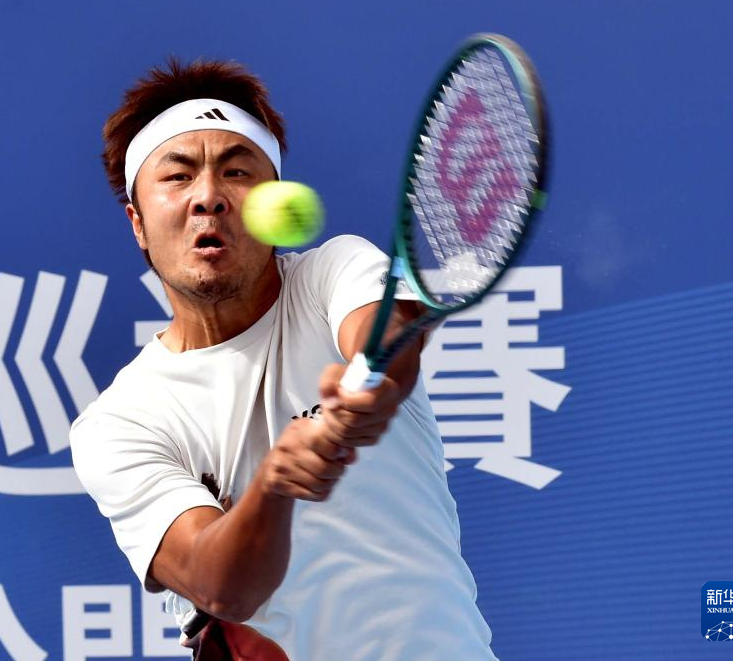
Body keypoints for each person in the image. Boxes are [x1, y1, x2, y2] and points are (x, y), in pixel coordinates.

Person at [70, 58, 497, 660]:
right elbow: (222, 587)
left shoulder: (334, 272)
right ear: (138, 223)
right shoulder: (120, 423)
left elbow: (385, 336)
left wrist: (372, 383)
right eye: (179, 176)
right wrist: (274, 485)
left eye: (236, 171)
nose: (208, 197)